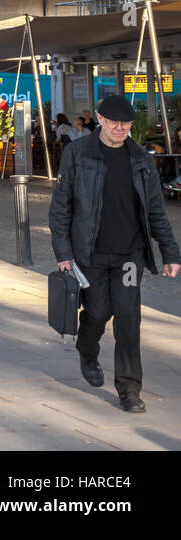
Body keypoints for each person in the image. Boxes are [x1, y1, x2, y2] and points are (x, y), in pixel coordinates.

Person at [49, 94, 181, 413]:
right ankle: (87, 348)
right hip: (89, 253)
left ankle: (129, 389)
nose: (120, 128)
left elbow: (155, 211)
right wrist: (63, 252)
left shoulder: (141, 159)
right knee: (97, 313)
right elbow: (61, 206)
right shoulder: (78, 153)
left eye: (126, 124)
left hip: (129, 255)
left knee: (128, 319)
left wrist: (171, 253)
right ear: (100, 119)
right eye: (114, 122)